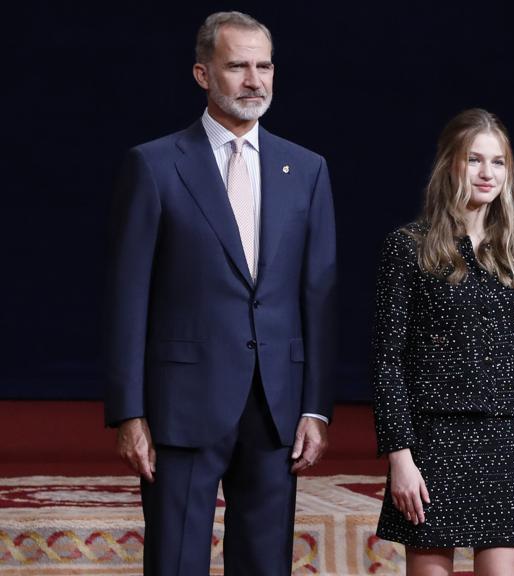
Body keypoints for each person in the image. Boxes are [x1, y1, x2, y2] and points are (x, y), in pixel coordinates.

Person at [104, 11, 338, 575]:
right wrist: (128, 412)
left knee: (264, 563)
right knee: (176, 562)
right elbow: (126, 297)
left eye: (264, 66)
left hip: (275, 405)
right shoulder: (155, 165)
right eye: (237, 66)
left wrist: (315, 406)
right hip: (180, 402)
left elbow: (319, 296)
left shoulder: (305, 169)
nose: (254, 80)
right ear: (203, 74)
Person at [370, 108, 514, 576]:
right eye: (475, 160)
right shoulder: (408, 246)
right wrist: (400, 457)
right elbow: (387, 360)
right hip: (433, 442)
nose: (487, 173)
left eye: (498, 162)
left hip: (506, 441)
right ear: (451, 164)